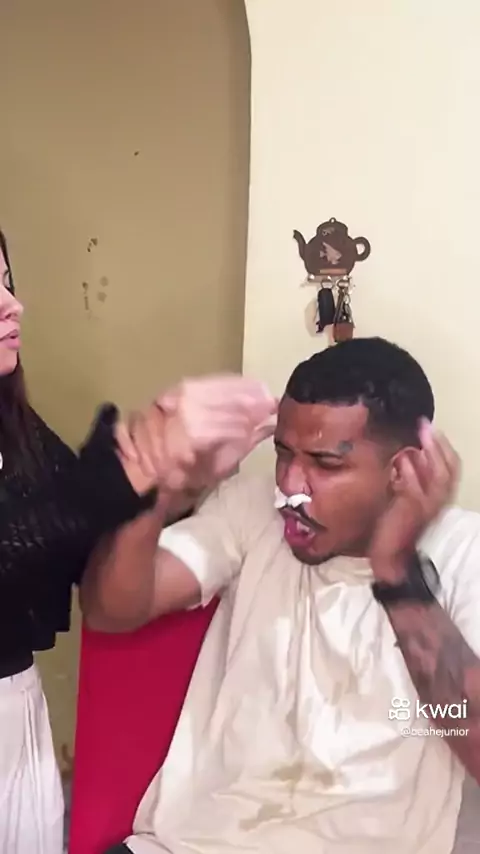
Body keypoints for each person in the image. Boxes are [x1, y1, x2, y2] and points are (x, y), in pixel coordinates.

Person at [82, 336, 480, 854]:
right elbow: (110, 609)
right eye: (283, 454)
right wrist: (163, 491)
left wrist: (397, 571)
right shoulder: (253, 510)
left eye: (325, 464)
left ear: (402, 470)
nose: (291, 486)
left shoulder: (463, 552)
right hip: (195, 845)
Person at [0, 229, 276, 854]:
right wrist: (136, 467)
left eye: (8, 282)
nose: (14, 305)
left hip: (15, 714)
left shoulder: (16, 429)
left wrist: (177, 481)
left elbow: (83, 540)